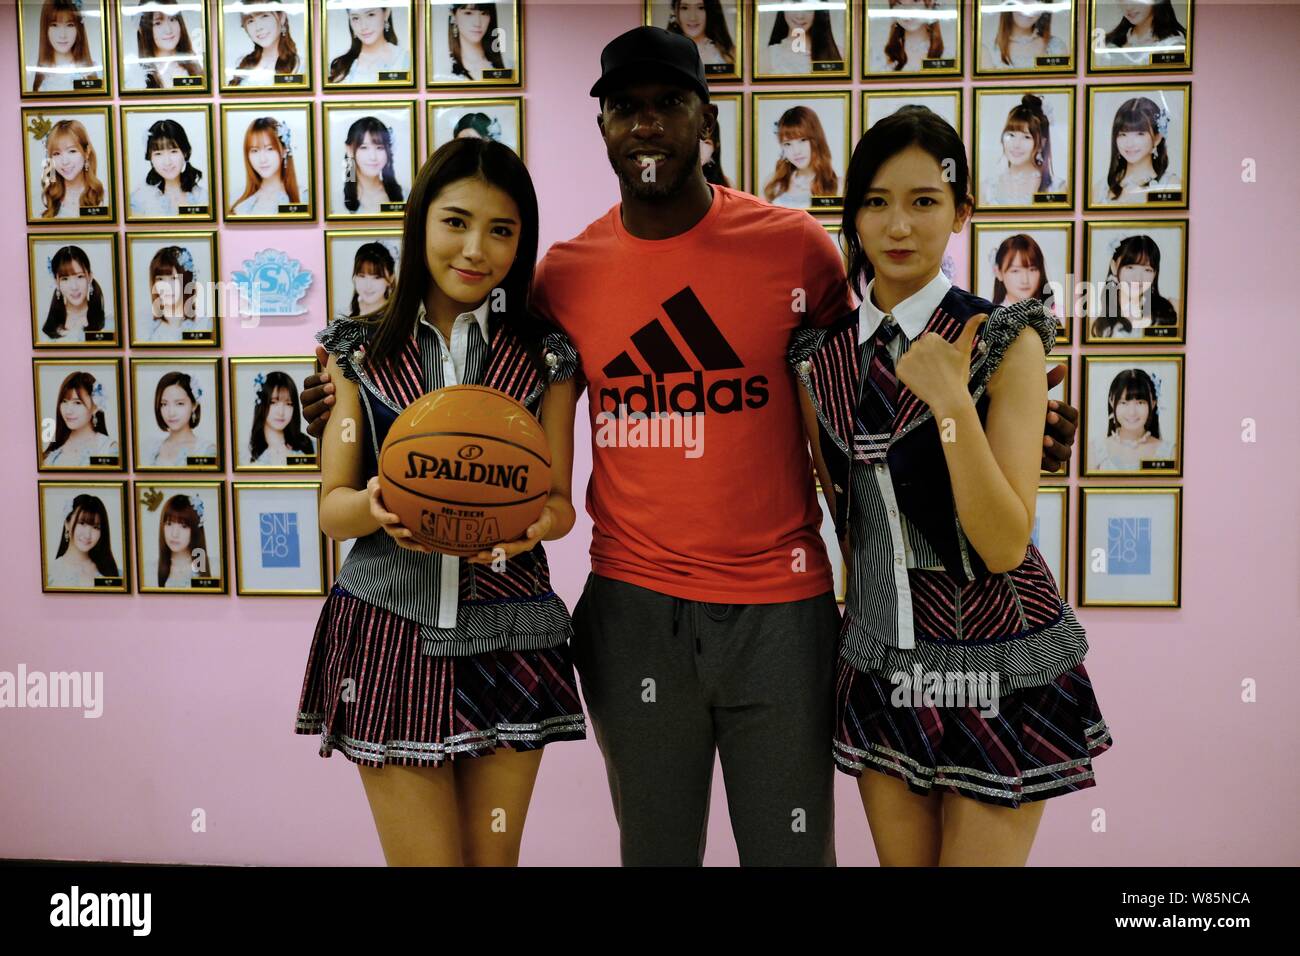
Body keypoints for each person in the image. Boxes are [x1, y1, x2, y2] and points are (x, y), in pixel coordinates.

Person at [301, 26, 1079, 867]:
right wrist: (346, 406)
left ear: (705, 118)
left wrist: (1020, 421)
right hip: (635, 609)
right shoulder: (563, 275)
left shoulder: (798, 250)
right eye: (626, 109)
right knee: (656, 854)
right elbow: (486, 408)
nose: (648, 126)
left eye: (670, 104)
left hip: (782, 610)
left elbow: (879, 386)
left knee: (791, 856)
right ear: (600, 125)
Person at [790, 105, 1110, 866]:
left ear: (963, 211)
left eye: (925, 201)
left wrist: (953, 401)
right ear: (853, 214)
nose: (899, 225)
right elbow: (848, 517)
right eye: (876, 201)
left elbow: (1003, 542)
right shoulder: (818, 358)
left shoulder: (1007, 336)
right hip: (880, 655)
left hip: (995, 651)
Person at [295, 137, 586, 867]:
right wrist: (381, 506)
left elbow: (558, 504)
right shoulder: (357, 351)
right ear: (421, 221)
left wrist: (522, 531)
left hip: (511, 630)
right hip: (391, 631)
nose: (475, 248)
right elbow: (331, 508)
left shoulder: (545, 353)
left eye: (501, 230)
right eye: (455, 221)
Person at [129, 119, 207, 217]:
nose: (167, 162)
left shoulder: (202, 197)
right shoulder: (139, 199)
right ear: (150, 158)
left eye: (173, 151)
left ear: (185, 153)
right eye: (158, 154)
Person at [43, 370, 118, 467]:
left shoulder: (107, 448)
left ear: (95, 407)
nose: (68, 411)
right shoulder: (54, 450)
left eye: (77, 403)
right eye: (64, 401)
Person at [40, 245, 112, 343]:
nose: (74, 287)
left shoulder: (109, 322)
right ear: (57, 282)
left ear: (90, 277)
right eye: (65, 279)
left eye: (79, 277)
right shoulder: (45, 326)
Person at [145, 371, 217, 467]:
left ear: (194, 405)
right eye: (164, 404)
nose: (171, 412)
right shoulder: (152, 449)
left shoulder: (206, 450)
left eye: (179, 403)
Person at [28, 0, 102, 93]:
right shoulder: (38, 75)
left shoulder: (94, 71)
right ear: (45, 29)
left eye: (70, 25)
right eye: (54, 25)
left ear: (78, 29)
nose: (62, 35)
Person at [245, 371, 315, 466]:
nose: (281, 412)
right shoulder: (245, 452)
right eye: (273, 402)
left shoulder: (310, 446)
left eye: (289, 404)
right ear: (261, 404)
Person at [48, 494, 118, 588]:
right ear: (67, 524)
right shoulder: (51, 573)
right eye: (82, 523)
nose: (88, 535)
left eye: (96, 527)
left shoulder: (110, 571)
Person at [227, 0, 301, 87]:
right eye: (250, 21)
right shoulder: (243, 64)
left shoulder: (299, 65)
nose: (258, 27)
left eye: (264, 16)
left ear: (282, 18)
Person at [329, 6, 410, 84]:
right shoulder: (339, 65)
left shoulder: (404, 59)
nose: (363, 26)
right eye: (355, 18)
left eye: (370, 15)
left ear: (386, 14)